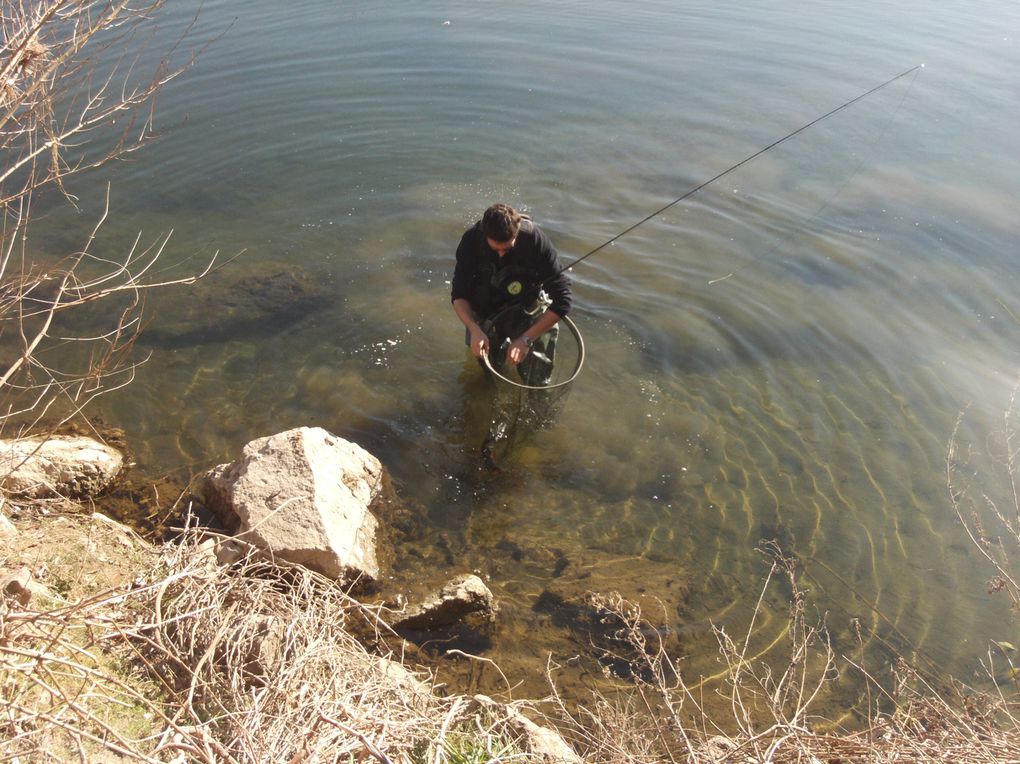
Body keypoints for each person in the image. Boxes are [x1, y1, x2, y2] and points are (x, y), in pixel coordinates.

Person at [451, 203, 572, 385]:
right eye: (495, 249)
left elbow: (563, 300)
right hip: (486, 310)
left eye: (507, 249)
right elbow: (458, 295)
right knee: (488, 373)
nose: (501, 255)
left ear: (516, 235)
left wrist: (527, 339)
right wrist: (473, 329)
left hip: (527, 307)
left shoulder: (535, 240)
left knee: (538, 378)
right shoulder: (471, 241)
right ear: (485, 235)